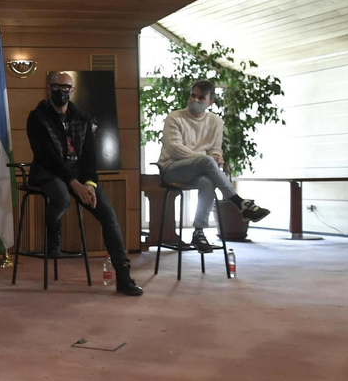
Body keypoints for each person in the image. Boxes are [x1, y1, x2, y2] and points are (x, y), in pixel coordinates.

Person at [24, 72, 143, 296]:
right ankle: (53, 233)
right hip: (49, 173)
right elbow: (48, 157)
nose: (61, 91)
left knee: (108, 215)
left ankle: (124, 276)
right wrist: (73, 183)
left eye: (65, 87)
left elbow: (89, 157)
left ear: (73, 90)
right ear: (49, 89)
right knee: (60, 197)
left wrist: (89, 184)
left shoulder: (82, 118)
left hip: (80, 177)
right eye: (56, 87)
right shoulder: (37, 117)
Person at [156, 79, 270, 252]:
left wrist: (216, 157)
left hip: (198, 170)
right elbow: (175, 150)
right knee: (207, 161)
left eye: (201, 97)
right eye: (193, 95)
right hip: (172, 168)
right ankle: (240, 203)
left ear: (211, 102)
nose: (195, 100)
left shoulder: (216, 121)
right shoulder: (175, 118)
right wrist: (207, 159)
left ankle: (199, 232)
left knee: (208, 182)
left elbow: (216, 150)